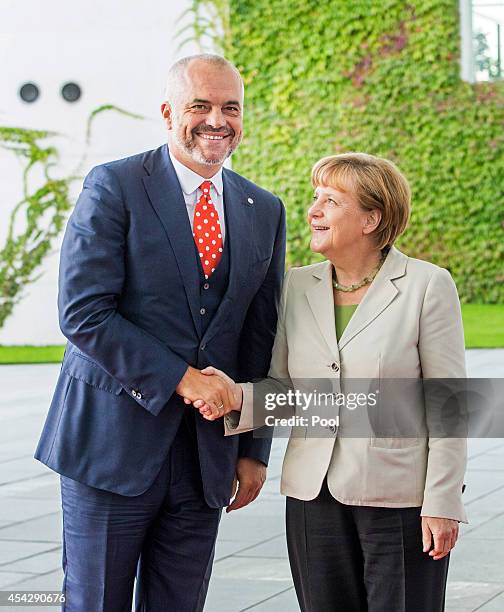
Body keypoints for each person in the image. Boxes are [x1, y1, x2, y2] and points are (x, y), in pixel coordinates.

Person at [34, 53, 286, 612]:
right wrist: (184, 380)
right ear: (169, 112)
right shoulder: (115, 185)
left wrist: (254, 449)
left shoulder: (263, 209)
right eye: (201, 106)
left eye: (231, 108)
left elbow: (259, 336)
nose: (217, 120)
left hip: (205, 461)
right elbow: (83, 312)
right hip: (110, 448)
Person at [193, 153, 467, 612]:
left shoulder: (426, 285)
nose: (312, 211)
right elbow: (285, 392)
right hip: (312, 497)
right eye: (315, 198)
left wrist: (442, 503)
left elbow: (448, 405)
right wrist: (235, 396)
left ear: (371, 218)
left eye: (331, 201)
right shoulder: (297, 286)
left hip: (399, 501)